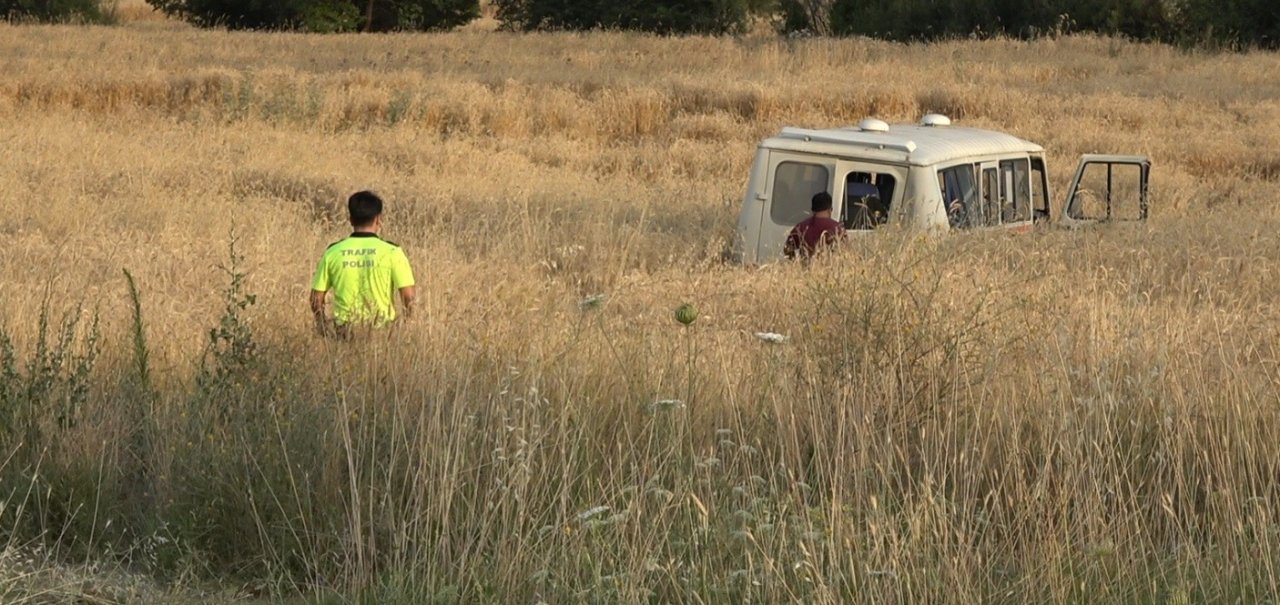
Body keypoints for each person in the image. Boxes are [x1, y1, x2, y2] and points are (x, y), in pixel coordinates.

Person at [310, 191, 416, 337]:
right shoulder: (392, 252)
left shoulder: (333, 252)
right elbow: (408, 296)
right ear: (378, 219)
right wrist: (406, 325)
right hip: (382, 334)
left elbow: (316, 297)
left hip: (344, 332)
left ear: (351, 220)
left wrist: (322, 326)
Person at [784, 191, 845, 259]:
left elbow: (787, 248)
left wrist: (795, 263)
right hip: (829, 268)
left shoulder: (801, 227)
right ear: (830, 210)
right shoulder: (838, 228)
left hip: (806, 268)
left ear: (813, 210)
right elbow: (845, 252)